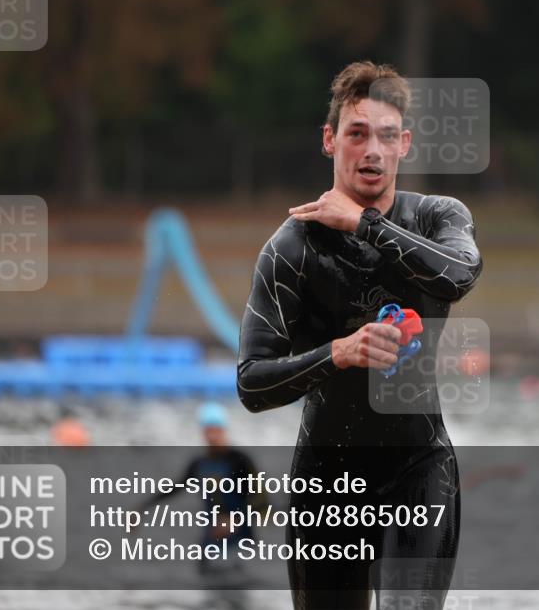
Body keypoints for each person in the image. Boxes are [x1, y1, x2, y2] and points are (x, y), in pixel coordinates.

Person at [237, 61, 483, 610]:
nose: (371, 149)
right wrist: (339, 354)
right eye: (357, 133)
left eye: (386, 136)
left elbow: (460, 275)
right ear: (330, 141)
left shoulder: (439, 217)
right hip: (325, 484)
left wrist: (364, 224)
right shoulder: (291, 249)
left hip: (417, 471)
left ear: (404, 145)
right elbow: (252, 385)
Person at [141, 402, 262, 578]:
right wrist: (142, 508)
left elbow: (259, 497)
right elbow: (174, 489)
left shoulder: (240, 461)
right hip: (210, 542)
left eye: (216, 430)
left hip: (240, 543)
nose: (212, 436)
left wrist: (236, 519)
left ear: (224, 430)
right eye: (208, 431)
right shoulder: (199, 464)